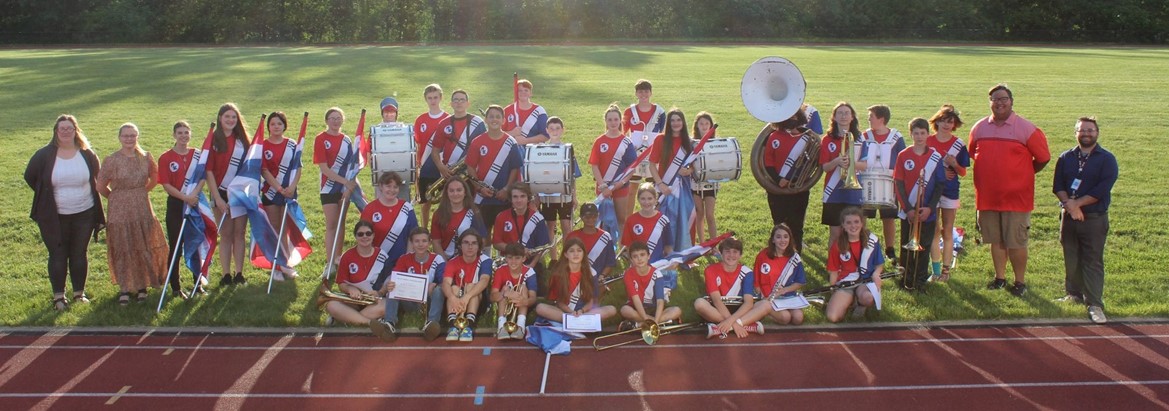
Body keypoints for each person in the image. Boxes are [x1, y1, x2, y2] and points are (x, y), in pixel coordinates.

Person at [969, 84, 1050, 296]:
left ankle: (1020, 282)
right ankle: (1000, 278)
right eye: (995, 99)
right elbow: (972, 153)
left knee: (1016, 242)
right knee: (996, 241)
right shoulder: (979, 128)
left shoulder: (1027, 128)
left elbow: (1043, 158)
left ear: (1011, 101)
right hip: (988, 198)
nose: (1000, 103)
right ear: (990, 102)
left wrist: (1022, 174)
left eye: (1004, 98)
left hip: (1016, 199)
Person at [25, 114, 105, 310]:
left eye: (70, 128)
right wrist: (45, 194)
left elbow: (96, 177)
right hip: (54, 216)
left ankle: (79, 293)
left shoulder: (87, 154)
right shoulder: (44, 155)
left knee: (79, 253)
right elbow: (30, 176)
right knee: (58, 254)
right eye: (62, 129)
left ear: (75, 130)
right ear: (56, 131)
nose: (66, 132)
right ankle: (59, 297)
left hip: (84, 212)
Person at [95, 123, 171, 305]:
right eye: (125, 135)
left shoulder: (146, 157)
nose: (129, 139)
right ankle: (125, 287)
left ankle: (143, 285)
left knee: (142, 243)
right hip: (119, 208)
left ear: (137, 136)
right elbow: (100, 186)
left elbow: (155, 179)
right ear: (119, 138)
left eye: (132, 135)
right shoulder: (111, 160)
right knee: (123, 246)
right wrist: (115, 197)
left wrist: (141, 191)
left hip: (141, 205)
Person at [1053, 117, 1117, 324]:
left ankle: (1095, 304)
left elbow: (1102, 189)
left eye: (1090, 130)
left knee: (1092, 261)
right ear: (1076, 133)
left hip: (1094, 218)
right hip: (1070, 218)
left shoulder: (1107, 159)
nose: (1086, 133)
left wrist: (1077, 204)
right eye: (1082, 130)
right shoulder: (1066, 157)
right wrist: (1070, 207)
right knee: (1071, 257)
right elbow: (1058, 185)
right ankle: (1073, 294)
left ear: (1097, 133)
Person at [895, 118, 947, 291]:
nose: (919, 136)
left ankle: (920, 281)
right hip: (908, 212)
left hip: (928, 212)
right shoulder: (903, 155)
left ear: (928, 134)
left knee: (923, 247)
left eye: (922, 133)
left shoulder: (935, 157)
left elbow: (940, 184)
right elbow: (899, 183)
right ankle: (905, 279)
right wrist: (908, 209)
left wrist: (930, 207)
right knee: (906, 246)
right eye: (915, 133)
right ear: (911, 134)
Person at [372, 227, 447, 342]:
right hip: (409, 302)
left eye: (424, 241)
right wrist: (389, 286)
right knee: (393, 286)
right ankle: (389, 324)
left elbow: (443, 281)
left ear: (429, 242)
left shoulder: (437, 259)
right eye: (417, 241)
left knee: (439, 290)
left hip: (429, 301)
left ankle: (432, 324)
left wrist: (435, 284)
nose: (421, 244)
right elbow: (396, 277)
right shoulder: (404, 259)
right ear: (411, 243)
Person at [206, 103, 251, 287]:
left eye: (234, 117)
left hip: (240, 193)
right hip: (220, 193)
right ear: (220, 118)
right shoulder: (213, 140)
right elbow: (208, 171)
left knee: (239, 233)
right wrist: (217, 198)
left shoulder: (243, 140)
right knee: (225, 234)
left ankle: (239, 273)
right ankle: (225, 274)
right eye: (227, 117)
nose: (231, 120)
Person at [158, 121, 204, 298]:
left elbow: (202, 177)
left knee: (195, 243)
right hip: (176, 205)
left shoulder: (197, 155)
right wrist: (185, 197)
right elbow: (166, 184)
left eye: (186, 132)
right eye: (180, 133)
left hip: (194, 203)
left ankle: (197, 283)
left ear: (190, 134)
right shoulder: (166, 157)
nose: (183, 136)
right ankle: (175, 287)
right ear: (174, 135)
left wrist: (193, 196)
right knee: (176, 246)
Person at [465, 105, 524, 235]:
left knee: (504, 232)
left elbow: (515, 168)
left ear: (503, 120)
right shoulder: (477, 142)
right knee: (482, 233)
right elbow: (470, 167)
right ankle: (486, 255)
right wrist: (480, 188)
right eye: (491, 116)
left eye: (498, 117)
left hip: (503, 197)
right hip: (482, 197)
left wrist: (507, 189)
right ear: (485, 119)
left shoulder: (511, 142)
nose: (494, 119)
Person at [926, 104, 969, 281]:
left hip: (950, 191)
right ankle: (935, 270)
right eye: (943, 121)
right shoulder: (928, 141)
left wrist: (954, 164)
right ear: (936, 122)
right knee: (934, 230)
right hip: (931, 190)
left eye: (950, 122)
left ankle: (945, 272)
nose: (946, 124)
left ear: (955, 124)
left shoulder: (958, 144)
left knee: (947, 230)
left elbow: (963, 172)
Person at [762, 105, 812, 252]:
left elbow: (813, 164)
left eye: (795, 116)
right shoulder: (774, 137)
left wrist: (798, 181)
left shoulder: (807, 138)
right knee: (779, 224)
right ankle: (780, 257)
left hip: (800, 189)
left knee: (797, 226)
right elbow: (767, 162)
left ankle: (797, 257)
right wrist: (778, 180)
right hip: (777, 189)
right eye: (787, 117)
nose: (792, 119)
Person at [859, 105, 906, 261]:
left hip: (889, 182)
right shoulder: (864, 136)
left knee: (889, 217)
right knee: (863, 216)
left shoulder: (896, 137)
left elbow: (902, 158)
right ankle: (863, 245)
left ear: (881, 119)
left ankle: (890, 249)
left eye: (871, 116)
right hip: (868, 181)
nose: (869, 119)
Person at [259, 112, 302, 281]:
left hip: (289, 192)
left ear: (285, 126)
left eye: (279, 123)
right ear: (268, 127)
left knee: (285, 228)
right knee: (273, 228)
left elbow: (298, 168)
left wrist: (291, 187)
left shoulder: (292, 145)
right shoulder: (263, 146)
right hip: (270, 192)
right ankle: (275, 266)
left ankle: (286, 263)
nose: (276, 126)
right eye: (273, 124)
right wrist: (278, 187)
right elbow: (264, 170)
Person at [534, 238, 617, 323]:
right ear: (566, 254)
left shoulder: (591, 273)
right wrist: (571, 312)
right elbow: (559, 302)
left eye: (579, 251)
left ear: (583, 254)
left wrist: (582, 311)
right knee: (540, 308)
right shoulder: (558, 274)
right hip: (565, 312)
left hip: (584, 312)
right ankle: (576, 322)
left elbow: (591, 301)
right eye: (572, 251)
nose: (576, 254)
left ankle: (576, 321)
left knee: (611, 309)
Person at [359, 171, 419, 291]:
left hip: (400, 261)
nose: (392, 190)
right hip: (376, 262)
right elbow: (363, 238)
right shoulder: (370, 209)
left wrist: (406, 261)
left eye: (395, 187)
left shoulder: (406, 208)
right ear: (381, 186)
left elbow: (413, 236)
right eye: (388, 186)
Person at [825, 207, 886, 322]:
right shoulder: (838, 245)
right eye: (848, 222)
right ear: (843, 225)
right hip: (845, 282)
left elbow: (879, 264)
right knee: (833, 317)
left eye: (856, 222)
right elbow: (833, 271)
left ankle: (860, 303)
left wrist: (876, 274)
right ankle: (850, 300)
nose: (853, 226)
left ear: (862, 223)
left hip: (864, 282)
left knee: (867, 298)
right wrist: (833, 289)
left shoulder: (871, 241)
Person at [740, 224, 807, 326]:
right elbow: (756, 282)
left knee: (798, 318)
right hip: (769, 298)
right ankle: (764, 310)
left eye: (786, 236)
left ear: (790, 239)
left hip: (788, 297)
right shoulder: (763, 255)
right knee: (785, 318)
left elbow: (800, 282)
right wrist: (764, 297)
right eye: (778, 237)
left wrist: (784, 290)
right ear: (773, 240)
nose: (782, 240)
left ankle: (767, 311)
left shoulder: (794, 257)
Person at [694, 237, 761, 339]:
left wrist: (730, 321)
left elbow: (748, 303)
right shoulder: (710, 270)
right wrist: (734, 324)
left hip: (740, 310)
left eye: (735, 252)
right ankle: (745, 326)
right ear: (721, 253)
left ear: (740, 255)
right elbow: (716, 301)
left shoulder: (747, 272)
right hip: (719, 309)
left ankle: (719, 328)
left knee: (766, 305)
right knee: (699, 304)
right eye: (727, 252)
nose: (731, 255)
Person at [648, 108, 695, 250]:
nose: (675, 123)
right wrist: (660, 184)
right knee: (665, 221)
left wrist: (689, 171)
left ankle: (685, 254)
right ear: (668, 123)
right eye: (672, 120)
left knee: (685, 218)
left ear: (683, 122)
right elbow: (651, 165)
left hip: (684, 187)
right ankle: (663, 251)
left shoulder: (689, 142)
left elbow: (694, 166)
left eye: (678, 120)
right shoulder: (660, 139)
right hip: (665, 187)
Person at [589, 103, 638, 237]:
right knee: (603, 220)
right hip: (603, 187)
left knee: (621, 219)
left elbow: (632, 168)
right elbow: (594, 165)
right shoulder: (599, 141)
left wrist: (620, 183)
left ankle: (622, 249)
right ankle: (605, 249)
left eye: (616, 119)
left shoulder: (626, 142)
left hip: (620, 187)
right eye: (609, 120)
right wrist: (603, 186)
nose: (613, 122)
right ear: (605, 121)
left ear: (620, 120)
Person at [326, 220, 387, 327]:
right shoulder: (347, 256)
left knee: (386, 307)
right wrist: (350, 289)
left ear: (373, 236)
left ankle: (348, 318)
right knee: (331, 305)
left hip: (374, 300)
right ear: (355, 236)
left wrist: (379, 293)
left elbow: (388, 281)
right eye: (360, 234)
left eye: (368, 233)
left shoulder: (382, 255)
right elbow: (341, 284)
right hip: (354, 301)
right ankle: (369, 322)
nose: (365, 236)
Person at [820, 102, 864, 248]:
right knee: (835, 233)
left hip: (854, 192)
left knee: (855, 233)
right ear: (834, 117)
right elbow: (825, 167)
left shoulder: (861, 139)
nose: (844, 116)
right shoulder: (827, 140)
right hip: (833, 192)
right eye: (840, 113)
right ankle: (833, 266)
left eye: (847, 113)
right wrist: (837, 161)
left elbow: (865, 165)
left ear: (852, 117)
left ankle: (852, 266)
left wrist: (851, 163)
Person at [537, 116, 581, 261]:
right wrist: (537, 196)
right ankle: (554, 259)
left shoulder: (567, 149)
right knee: (550, 226)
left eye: (557, 128)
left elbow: (573, 176)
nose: (554, 131)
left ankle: (567, 258)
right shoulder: (542, 150)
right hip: (548, 196)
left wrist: (574, 196)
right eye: (551, 129)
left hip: (565, 195)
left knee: (566, 227)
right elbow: (537, 174)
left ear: (562, 130)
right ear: (547, 130)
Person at [441, 229, 493, 342]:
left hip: (477, 302)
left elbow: (484, 281)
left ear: (479, 246)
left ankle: (469, 326)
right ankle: (453, 326)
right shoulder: (453, 261)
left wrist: (466, 297)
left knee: (471, 286)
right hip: (456, 302)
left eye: (474, 243)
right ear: (460, 245)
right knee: (453, 288)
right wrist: (452, 298)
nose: (470, 246)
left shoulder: (485, 260)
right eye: (466, 243)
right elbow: (445, 283)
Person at [618, 242, 682, 331]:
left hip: (654, 309)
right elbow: (636, 299)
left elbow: (660, 301)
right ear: (631, 260)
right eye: (635, 256)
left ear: (648, 256)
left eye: (642, 255)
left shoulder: (657, 273)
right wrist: (647, 320)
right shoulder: (628, 274)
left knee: (677, 310)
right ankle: (660, 323)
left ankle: (638, 325)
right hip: (637, 308)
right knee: (625, 310)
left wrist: (655, 320)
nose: (639, 259)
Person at [413, 85, 451, 227]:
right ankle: (424, 228)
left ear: (441, 98)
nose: (433, 101)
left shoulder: (448, 119)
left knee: (445, 202)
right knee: (425, 201)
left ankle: (444, 228)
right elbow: (418, 144)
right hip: (425, 166)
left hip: (443, 167)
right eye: (430, 98)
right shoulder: (420, 120)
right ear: (425, 99)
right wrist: (418, 164)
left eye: (435, 97)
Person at [432, 89, 485, 187]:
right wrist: (441, 167)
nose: (459, 103)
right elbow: (435, 150)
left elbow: (485, 148)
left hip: (473, 171)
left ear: (468, 104)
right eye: (456, 100)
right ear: (451, 104)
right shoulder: (443, 123)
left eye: (462, 100)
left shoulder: (478, 122)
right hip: (449, 171)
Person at [430, 178, 488, 260]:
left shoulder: (474, 212)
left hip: (469, 260)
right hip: (446, 260)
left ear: (465, 193)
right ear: (446, 193)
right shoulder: (438, 214)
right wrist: (444, 264)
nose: (455, 193)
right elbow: (436, 242)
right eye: (451, 191)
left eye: (459, 190)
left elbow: (482, 240)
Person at [490, 242, 538, 340]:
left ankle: (520, 326)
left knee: (522, 287)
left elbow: (533, 298)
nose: (513, 261)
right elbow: (492, 296)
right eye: (510, 258)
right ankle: (501, 326)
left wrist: (524, 301)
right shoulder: (500, 270)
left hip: (523, 304)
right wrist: (505, 293)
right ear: (506, 258)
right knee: (505, 288)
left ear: (523, 258)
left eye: (517, 258)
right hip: (505, 303)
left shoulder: (529, 272)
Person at [492, 182, 551, 260]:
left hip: (531, 263)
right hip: (508, 262)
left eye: (522, 196)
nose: (519, 200)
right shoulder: (501, 216)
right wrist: (515, 250)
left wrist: (530, 267)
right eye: (515, 197)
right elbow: (496, 243)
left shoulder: (538, 218)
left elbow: (542, 247)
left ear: (528, 198)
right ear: (511, 199)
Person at [623, 79, 666, 182]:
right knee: (632, 187)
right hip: (634, 153)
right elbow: (622, 133)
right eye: (640, 91)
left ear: (651, 93)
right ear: (636, 93)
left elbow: (663, 133)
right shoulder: (629, 111)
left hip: (654, 153)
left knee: (655, 186)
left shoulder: (660, 112)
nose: (643, 94)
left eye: (646, 91)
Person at [373, 97, 413, 203]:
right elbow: (370, 154)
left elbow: (412, 150)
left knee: (403, 206)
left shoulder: (405, 130)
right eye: (386, 111)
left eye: (392, 112)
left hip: (402, 178)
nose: (389, 114)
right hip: (382, 179)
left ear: (396, 113)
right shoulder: (375, 131)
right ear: (382, 113)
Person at [621, 182, 673, 263]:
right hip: (639, 266)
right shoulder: (631, 220)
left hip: (657, 266)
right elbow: (629, 247)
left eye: (649, 198)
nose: (646, 202)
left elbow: (668, 247)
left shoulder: (663, 220)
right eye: (643, 199)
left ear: (655, 199)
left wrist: (670, 263)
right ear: (638, 199)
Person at [566, 203, 617, 282]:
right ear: (581, 217)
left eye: (594, 216)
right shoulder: (572, 236)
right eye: (587, 217)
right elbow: (565, 261)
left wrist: (602, 276)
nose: (591, 219)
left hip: (597, 281)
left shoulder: (606, 236)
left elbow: (610, 262)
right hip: (575, 280)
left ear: (598, 216)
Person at [690, 111, 720, 245]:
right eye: (701, 123)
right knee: (699, 214)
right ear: (696, 126)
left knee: (710, 215)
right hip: (695, 182)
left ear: (711, 126)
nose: (704, 126)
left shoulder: (716, 143)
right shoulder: (692, 143)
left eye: (707, 123)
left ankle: (713, 245)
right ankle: (702, 244)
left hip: (711, 183)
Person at [503, 79, 550, 145]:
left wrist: (526, 141)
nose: (523, 92)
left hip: (533, 151)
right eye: (520, 90)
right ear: (516, 93)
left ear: (530, 93)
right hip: (511, 150)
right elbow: (497, 134)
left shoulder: (539, 111)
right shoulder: (507, 110)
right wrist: (512, 133)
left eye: (526, 90)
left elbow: (546, 135)